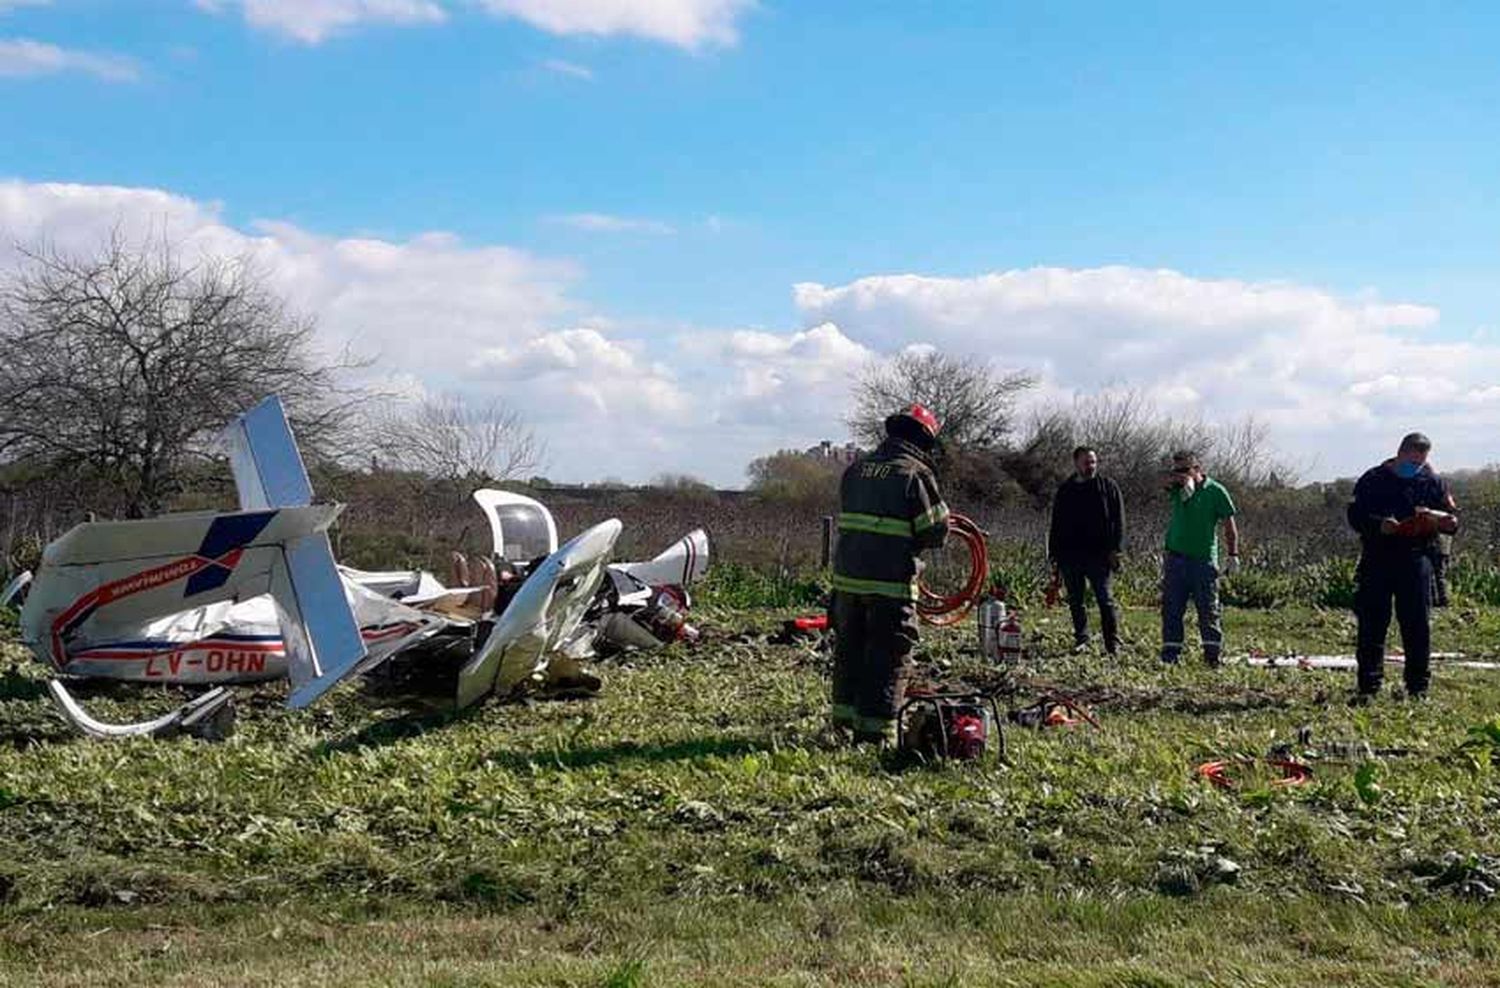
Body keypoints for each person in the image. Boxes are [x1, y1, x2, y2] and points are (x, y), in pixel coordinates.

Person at [829, 403, 950, 743]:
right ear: (924, 441)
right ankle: (877, 735)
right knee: (887, 656)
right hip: (889, 585)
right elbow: (934, 531)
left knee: (849, 651)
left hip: (847, 583)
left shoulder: (856, 470)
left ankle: (843, 724)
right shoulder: (915, 474)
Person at [1347, 432, 1458, 700]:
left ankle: (1417, 686)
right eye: (1412, 460)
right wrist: (1379, 525)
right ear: (1400, 453)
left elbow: (1452, 517)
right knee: (1373, 623)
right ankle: (1368, 686)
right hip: (1378, 557)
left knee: (1417, 624)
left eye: (1421, 461)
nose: (1416, 466)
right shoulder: (1373, 480)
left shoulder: (1432, 482)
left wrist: (1445, 522)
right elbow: (1355, 516)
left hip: (1417, 558)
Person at [1160, 450, 1239, 665]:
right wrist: (1177, 482)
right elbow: (1167, 487)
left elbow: (1229, 525)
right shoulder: (1177, 489)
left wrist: (1233, 554)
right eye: (1177, 470)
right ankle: (1170, 656)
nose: (1180, 474)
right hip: (1176, 559)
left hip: (1203, 561)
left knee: (1208, 610)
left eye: (1185, 470)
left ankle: (1212, 656)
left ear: (1198, 468)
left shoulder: (1216, 491)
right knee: (1172, 609)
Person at [1047, 445, 1125, 654]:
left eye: (1093, 462)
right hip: (1070, 555)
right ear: (1076, 463)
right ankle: (1082, 639)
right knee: (1076, 600)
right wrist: (1053, 553)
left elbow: (1119, 520)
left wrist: (1116, 549)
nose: (1091, 466)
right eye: (1086, 462)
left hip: (1100, 556)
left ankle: (1112, 643)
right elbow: (1056, 522)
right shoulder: (1066, 490)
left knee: (1105, 600)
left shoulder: (1108, 487)